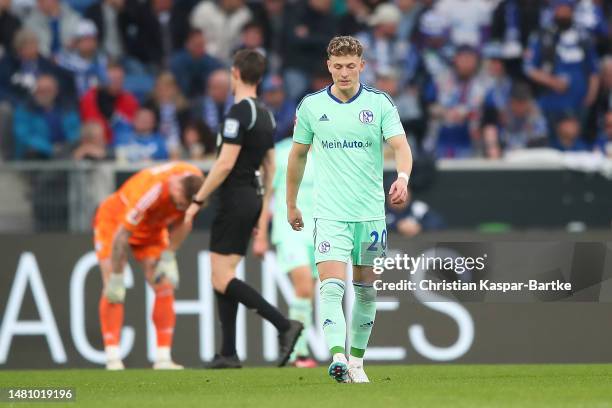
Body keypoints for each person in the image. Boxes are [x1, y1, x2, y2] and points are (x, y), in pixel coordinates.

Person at [286, 36, 412, 383]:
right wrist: (291, 203)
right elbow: (296, 156)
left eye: (350, 66)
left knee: (366, 290)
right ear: (328, 65)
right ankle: (337, 356)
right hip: (329, 214)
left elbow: (401, 146)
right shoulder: (311, 106)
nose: (344, 72)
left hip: (370, 215)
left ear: (362, 65)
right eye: (338, 66)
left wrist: (402, 177)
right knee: (330, 286)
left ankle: (357, 362)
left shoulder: (380, 103)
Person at [184, 49, 303, 369]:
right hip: (250, 196)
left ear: (235, 72)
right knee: (222, 276)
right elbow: (271, 168)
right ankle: (229, 352)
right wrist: (261, 211)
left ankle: (284, 325)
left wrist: (198, 200)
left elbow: (223, 165)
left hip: (234, 197)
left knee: (221, 278)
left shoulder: (238, 114)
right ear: (261, 77)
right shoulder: (265, 114)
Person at [93, 161, 204, 370]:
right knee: (113, 288)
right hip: (115, 223)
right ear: (177, 187)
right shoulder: (150, 191)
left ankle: (163, 358)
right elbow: (122, 235)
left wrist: (169, 255)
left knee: (164, 285)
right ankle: (112, 358)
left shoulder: (195, 184)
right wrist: (117, 275)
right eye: (179, 203)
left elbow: (185, 220)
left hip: (152, 229)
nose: (180, 208)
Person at [255, 133, 317, 368]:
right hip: (290, 230)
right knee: (302, 287)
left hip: (320, 232)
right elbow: (266, 196)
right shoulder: (280, 154)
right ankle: (297, 353)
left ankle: (297, 349)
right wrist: (260, 234)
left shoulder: (329, 150)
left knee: (308, 292)